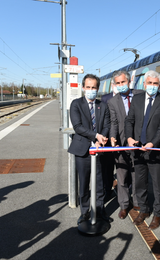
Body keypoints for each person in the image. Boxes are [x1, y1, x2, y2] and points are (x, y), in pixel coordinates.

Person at [125, 70, 160, 230]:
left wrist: (153, 143)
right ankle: (144, 210)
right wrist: (129, 138)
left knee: (159, 185)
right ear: (144, 84)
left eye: (155, 84)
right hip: (138, 149)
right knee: (140, 183)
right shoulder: (137, 99)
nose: (152, 86)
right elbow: (129, 120)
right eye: (149, 83)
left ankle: (158, 214)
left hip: (155, 150)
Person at [68, 74, 111, 225]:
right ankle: (85, 212)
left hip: (99, 150)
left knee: (99, 182)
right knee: (84, 183)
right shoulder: (76, 104)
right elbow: (78, 127)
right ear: (83, 87)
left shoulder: (103, 106)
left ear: (98, 88)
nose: (91, 90)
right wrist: (96, 136)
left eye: (94, 87)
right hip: (82, 150)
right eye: (88, 87)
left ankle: (99, 210)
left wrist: (102, 138)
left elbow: (107, 125)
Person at [107, 70, 144, 219]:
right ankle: (123, 205)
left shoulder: (140, 95)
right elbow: (114, 123)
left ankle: (136, 202)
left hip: (138, 143)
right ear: (115, 85)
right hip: (121, 145)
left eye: (123, 82)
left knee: (137, 176)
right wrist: (112, 138)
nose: (121, 85)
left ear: (129, 81)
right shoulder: (112, 102)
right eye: (118, 83)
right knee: (121, 178)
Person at [100, 80, 118, 203]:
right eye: (116, 83)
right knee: (107, 167)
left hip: (123, 140)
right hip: (108, 140)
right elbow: (103, 118)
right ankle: (107, 190)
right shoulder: (105, 98)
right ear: (112, 85)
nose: (118, 86)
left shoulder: (130, 97)